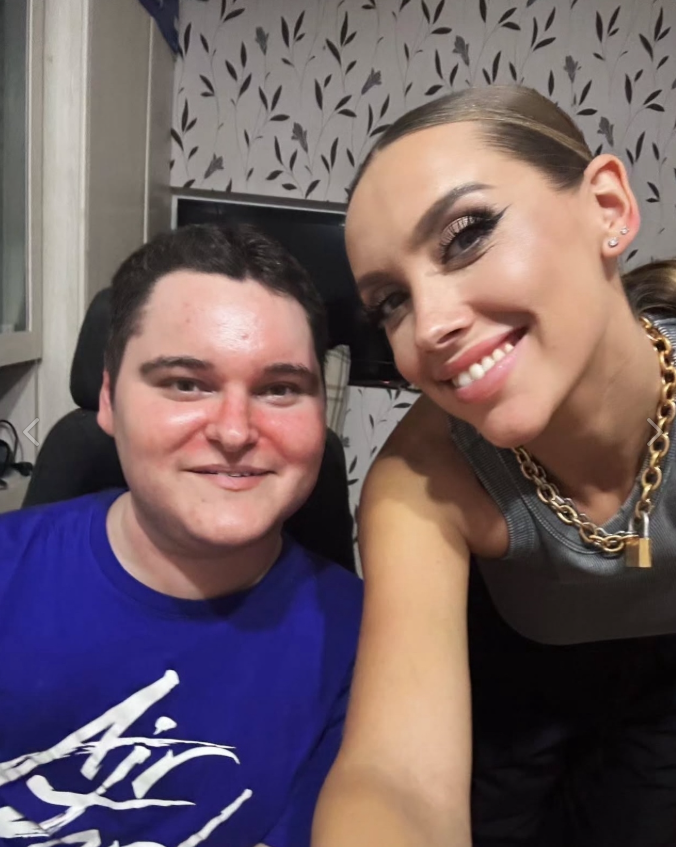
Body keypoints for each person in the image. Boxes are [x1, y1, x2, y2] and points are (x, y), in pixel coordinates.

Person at [311, 85, 676, 847]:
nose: (429, 327)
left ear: (607, 208)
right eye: (391, 302)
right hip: (515, 690)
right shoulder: (421, 482)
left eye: (466, 235)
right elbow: (395, 777)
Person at [0, 223, 363, 847]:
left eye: (280, 389)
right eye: (186, 384)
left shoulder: (371, 646)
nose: (234, 431)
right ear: (109, 399)